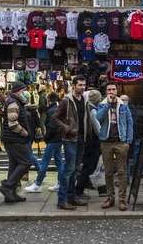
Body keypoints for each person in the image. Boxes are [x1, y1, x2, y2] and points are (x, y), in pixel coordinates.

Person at [51, 75, 90, 210]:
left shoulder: (84, 99)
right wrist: (66, 127)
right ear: (73, 86)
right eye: (80, 85)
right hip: (70, 138)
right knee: (69, 169)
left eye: (84, 85)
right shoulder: (66, 100)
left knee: (75, 169)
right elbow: (55, 118)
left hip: (81, 137)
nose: (82, 87)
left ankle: (72, 197)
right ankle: (62, 199)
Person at [96, 82, 133, 211]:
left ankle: (122, 200)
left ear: (117, 91)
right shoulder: (102, 104)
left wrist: (128, 140)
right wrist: (107, 104)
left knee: (122, 172)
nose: (111, 92)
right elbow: (98, 118)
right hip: (106, 142)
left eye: (113, 89)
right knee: (108, 172)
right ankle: (110, 197)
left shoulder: (123, 105)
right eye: (109, 90)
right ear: (106, 92)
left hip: (120, 141)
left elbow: (129, 122)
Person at [0, 81, 32, 203]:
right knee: (26, 162)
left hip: (11, 139)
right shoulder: (13, 103)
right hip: (15, 139)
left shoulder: (16, 102)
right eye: (24, 91)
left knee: (13, 166)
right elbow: (13, 123)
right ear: (18, 91)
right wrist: (25, 133)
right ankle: (7, 186)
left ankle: (10, 194)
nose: (25, 93)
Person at [25, 92, 64, 193]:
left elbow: (52, 126)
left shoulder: (51, 110)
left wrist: (46, 137)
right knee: (59, 161)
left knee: (45, 161)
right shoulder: (57, 108)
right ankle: (60, 183)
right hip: (58, 138)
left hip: (53, 139)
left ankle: (38, 183)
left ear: (48, 99)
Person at [75, 90, 102, 199]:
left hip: (86, 141)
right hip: (92, 143)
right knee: (89, 166)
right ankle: (79, 190)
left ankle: (81, 186)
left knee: (87, 165)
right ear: (97, 99)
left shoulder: (85, 107)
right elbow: (98, 129)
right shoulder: (92, 110)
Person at [120, 95, 138, 183]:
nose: (122, 101)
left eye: (124, 100)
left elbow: (131, 124)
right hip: (125, 138)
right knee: (124, 159)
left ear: (128, 101)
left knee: (125, 159)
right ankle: (125, 178)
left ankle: (125, 178)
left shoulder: (130, 110)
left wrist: (128, 139)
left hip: (127, 138)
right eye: (121, 99)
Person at [25, 92, 42, 173]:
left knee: (29, 153)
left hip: (25, 135)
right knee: (28, 153)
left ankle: (39, 169)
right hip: (32, 135)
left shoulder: (24, 112)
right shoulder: (34, 111)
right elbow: (38, 123)